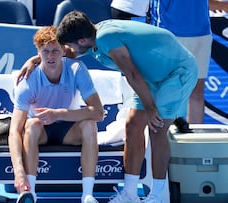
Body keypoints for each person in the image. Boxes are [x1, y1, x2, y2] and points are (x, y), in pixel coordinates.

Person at [17, 11, 198, 203]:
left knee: (157, 129)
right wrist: (36, 59)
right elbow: (65, 52)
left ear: (81, 40)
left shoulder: (106, 38)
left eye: (69, 44)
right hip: (151, 77)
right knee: (133, 125)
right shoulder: (92, 36)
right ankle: (130, 194)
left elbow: (133, 74)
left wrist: (151, 109)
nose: (67, 49)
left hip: (176, 72)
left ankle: (158, 196)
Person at [8, 26, 104, 203]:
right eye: (45, 51)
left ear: (63, 51)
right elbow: (14, 131)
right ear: (38, 52)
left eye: (55, 51)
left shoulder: (77, 69)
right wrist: (18, 171)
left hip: (69, 131)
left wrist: (57, 114)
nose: (50, 56)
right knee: (31, 125)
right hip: (40, 132)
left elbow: (98, 113)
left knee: (90, 124)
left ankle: (88, 195)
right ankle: (29, 193)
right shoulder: (27, 81)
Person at [149, 0, 228, 132]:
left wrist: (220, 5)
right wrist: (222, 5)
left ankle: (195, 140)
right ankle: (161, 139)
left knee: (196, 92)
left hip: (200, 33)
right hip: (169, 32)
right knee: (166, 90)